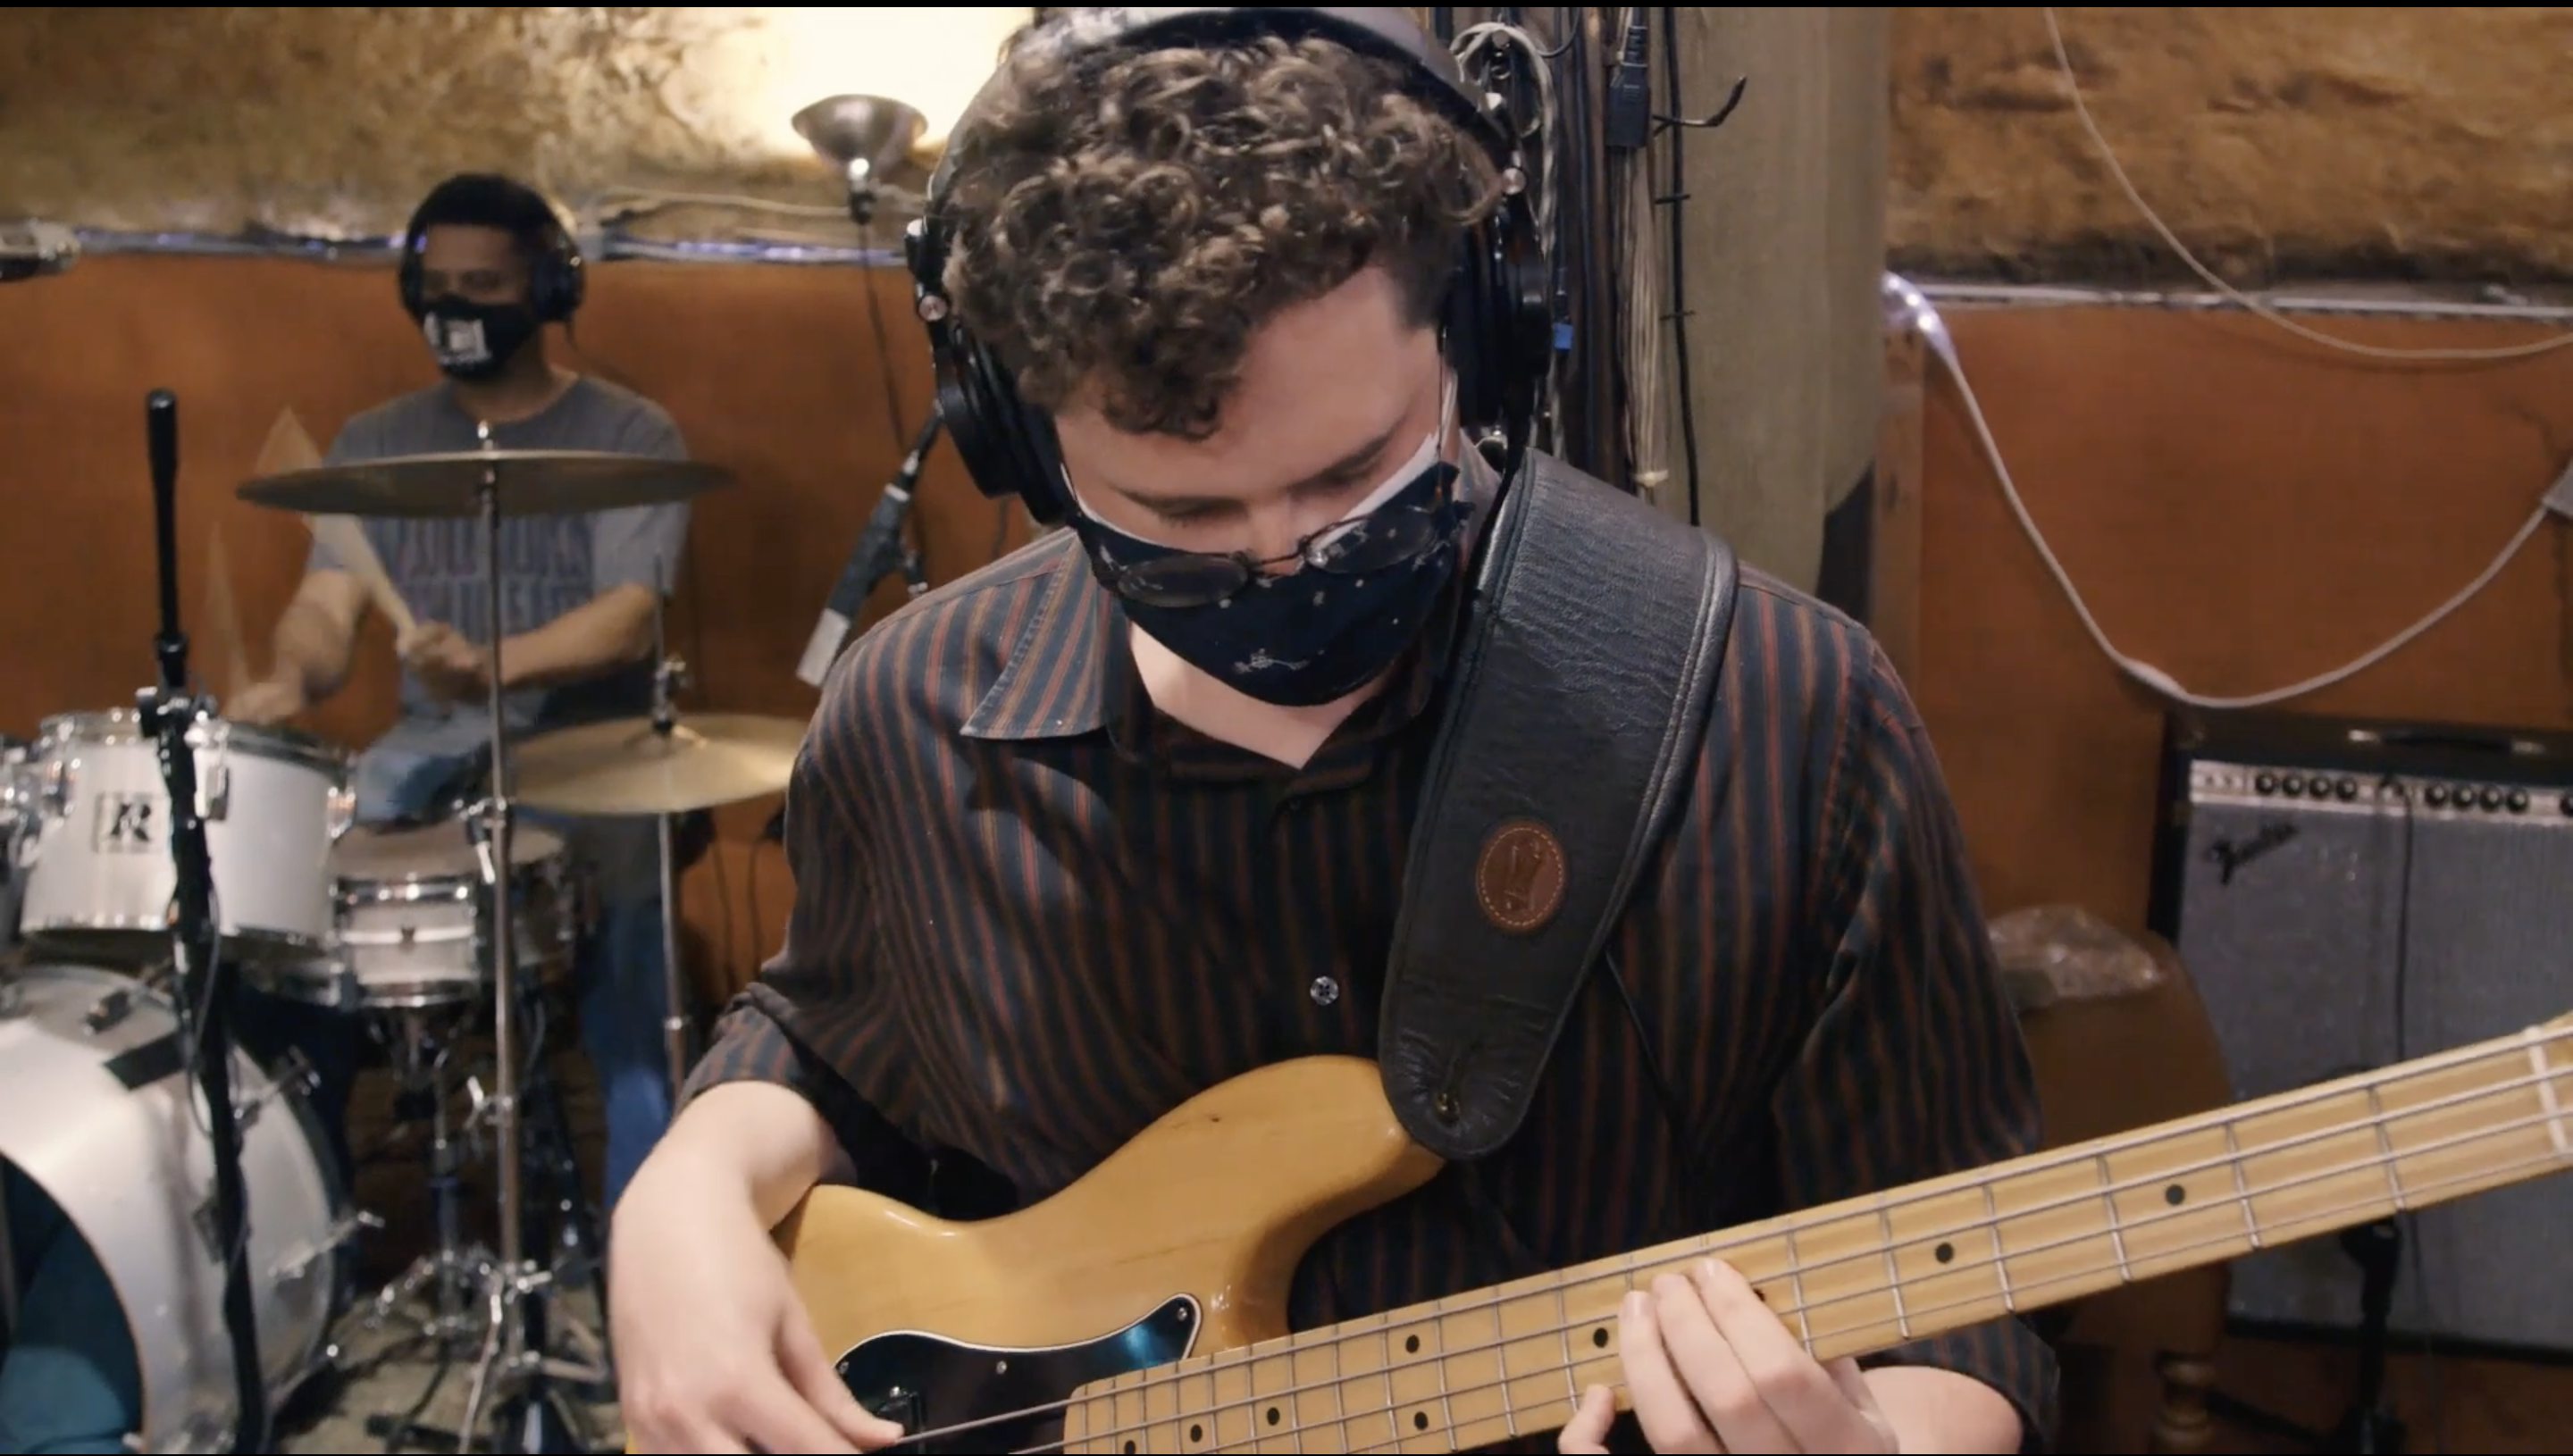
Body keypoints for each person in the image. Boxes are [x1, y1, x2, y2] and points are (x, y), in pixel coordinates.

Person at [607, 11, 2057, 1456]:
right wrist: (685, 1187)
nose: (1285, 561)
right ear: (1021, 442)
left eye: (1352, 478)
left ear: (1477, 340)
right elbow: (826, 1041)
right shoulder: (913, 718)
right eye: (1183, 519)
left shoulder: (1791, 711)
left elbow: (1970, 1299)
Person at [0, 172, 690, 1454]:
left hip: (593, 758)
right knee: (281, 932)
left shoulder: (627, 431)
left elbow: (631, 611)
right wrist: (290, 673)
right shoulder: (375, 441)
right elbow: (328, 607)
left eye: (487, 288)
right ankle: (293, 1262)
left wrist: (499, 661)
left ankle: (651, 1279)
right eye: (436, 290)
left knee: (634, 960)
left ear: (550, 289)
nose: (457, 311)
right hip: (421, 762)